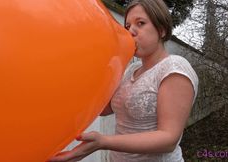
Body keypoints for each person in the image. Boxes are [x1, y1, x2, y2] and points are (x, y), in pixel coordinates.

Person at [48, 0, 198, 161]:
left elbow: (168, 139)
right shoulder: (131, 70)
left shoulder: (174, 68)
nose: (130, 31)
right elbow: (104, 108)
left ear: (161, 30)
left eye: (140, 23)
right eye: (127, 26)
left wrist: (103, 142)